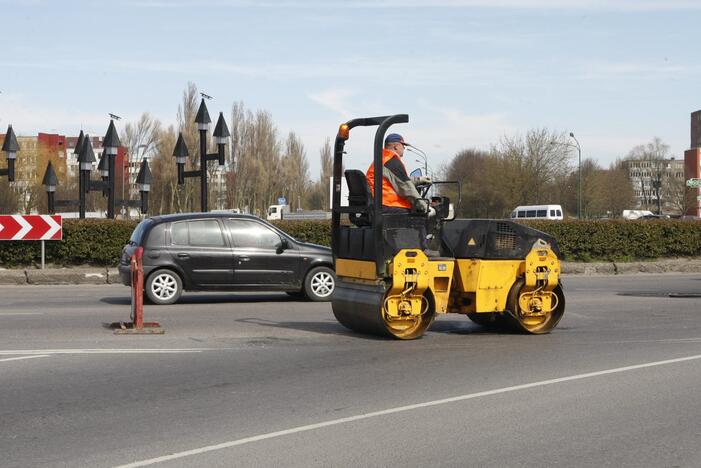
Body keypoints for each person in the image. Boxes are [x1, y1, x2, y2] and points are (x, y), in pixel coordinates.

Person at [365, 133, 433, 214]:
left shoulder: (382, 158)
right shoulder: (392, 161)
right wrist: (425, 207)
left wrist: (419, 179)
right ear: (396, 146)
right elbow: (406, 188)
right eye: (403, 145)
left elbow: (396, 180)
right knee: (420, 214)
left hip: (378, 203)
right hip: (388, 205)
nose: (404, 148)